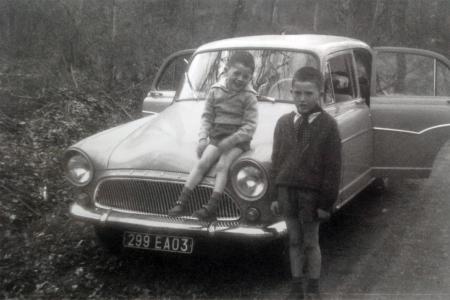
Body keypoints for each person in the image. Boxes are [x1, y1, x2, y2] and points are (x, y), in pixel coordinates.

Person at [270, 67, 341, 299]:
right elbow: (276, 160)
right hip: (287, 192)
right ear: (291, 92)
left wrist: (325, 203)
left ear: (320, 93)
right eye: (297, 93)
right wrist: (273, 195)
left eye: (308, 93)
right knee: (294, 240)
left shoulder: (328, 125)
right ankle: (296, 286)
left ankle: (313, 287)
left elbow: (333, 168)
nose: (302, 99)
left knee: (311, 241)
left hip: (312, 196)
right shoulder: (283, 123)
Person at [168, 51, 258, 221]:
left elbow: (250, 126)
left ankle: (212, 205)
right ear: (227, 70)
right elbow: (207, 117)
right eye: (236, 73)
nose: (240, 79)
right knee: (203, 163)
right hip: (218, 136)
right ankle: (181, 201)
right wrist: (202, 139)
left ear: (250, 77)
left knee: (223, 165)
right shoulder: (215, 90)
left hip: (238, 140)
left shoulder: (249, 96)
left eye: (245, 76)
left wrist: (231, 141)